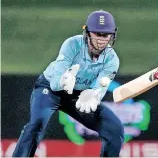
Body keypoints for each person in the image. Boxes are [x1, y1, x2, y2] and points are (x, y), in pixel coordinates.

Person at [12, 10, 124, 157]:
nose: (102, 40)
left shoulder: (112, 60)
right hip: (50, 91)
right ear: (88, 32)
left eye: (106, 35)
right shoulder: (72, 44)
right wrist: (64, 81)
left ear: (112, 35)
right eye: (97, 33)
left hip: (79, 96)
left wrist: (94, 94)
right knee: (36, 124)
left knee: (115, 129)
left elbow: (101, 86)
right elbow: (54, 83)